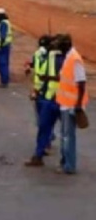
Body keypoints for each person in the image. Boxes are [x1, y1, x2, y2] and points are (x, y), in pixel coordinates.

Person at [25, 35, 64, 167]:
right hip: (63, 99)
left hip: (49, 97)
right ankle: (65, 161)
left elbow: (43, 77)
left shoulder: (49, 58)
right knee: (66, 133)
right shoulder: (69, 58)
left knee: (44, 126)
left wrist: (37, 91)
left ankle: (39, 154)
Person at [54, 34, 89, 174]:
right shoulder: (68, 57)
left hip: (71, 105)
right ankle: (65, 162)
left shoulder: (75, 60)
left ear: (66, 45)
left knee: (68, 137)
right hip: (65, 103)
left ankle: (69, 165)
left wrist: (78, 105)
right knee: (64, 135)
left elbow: (81, 83)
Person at [26, 35, 51, 124]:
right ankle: (46, 131)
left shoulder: (49, 57)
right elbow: (33, 64)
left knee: (43, 114)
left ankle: (46, 131)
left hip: (43, 89)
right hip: (42, 88)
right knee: (43, 114)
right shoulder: (41, 55)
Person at [0, 8, 13, 88]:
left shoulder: (3, 23)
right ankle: (5, 79)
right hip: (6, 45)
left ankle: (4, 81)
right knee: (5, 63)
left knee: (2, 64)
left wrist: (0, 46)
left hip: (3, 46)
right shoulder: (6, 22)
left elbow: (2, 36)